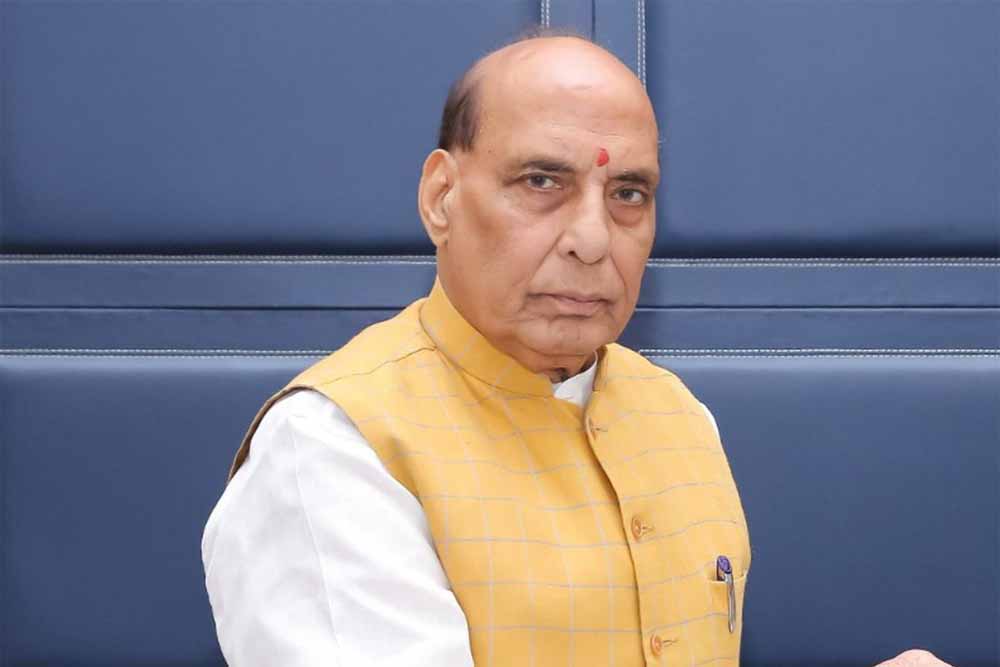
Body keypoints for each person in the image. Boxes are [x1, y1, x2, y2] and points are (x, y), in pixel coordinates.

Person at [201, 31, 953, 667]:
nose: (593, 240)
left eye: (628, 194)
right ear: (441, 198)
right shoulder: (331, 448)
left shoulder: (678, 415)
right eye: (541, 181)